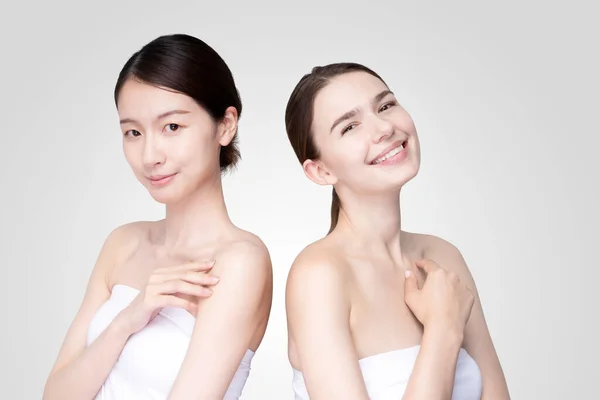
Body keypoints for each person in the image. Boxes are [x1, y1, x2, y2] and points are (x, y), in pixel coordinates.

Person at [43, 34, 273, 400]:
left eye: (172, 127)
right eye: (133, 132)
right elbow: (55, 394)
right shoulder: (123, 242)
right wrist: (128, 320)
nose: (150, 155)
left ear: (225, 125)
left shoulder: (239, 261)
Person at [283, 63, 510, 399]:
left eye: (385, 106)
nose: (384, 128)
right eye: (350, 127)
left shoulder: (442, 256)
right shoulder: (319, 275)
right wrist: (443, 330)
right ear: (320, 171)